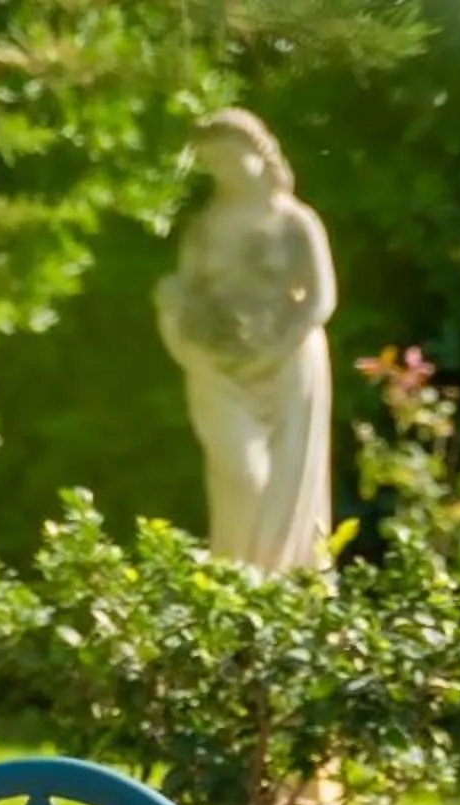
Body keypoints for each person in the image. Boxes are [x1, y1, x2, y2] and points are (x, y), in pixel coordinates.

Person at [155, 109, 336, 574]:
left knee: (286, 486)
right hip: (220, 368)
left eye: (229, 158)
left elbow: (320, 299)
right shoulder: (206, 226)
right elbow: (184, 295)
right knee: (242, 477)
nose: (223, 171)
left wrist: (274, 351)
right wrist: (188, 339)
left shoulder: (297, 222)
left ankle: (284, 590)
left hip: (289, 361)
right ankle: (237, 587)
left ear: (259, 153)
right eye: (212, 163)